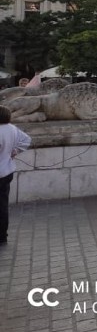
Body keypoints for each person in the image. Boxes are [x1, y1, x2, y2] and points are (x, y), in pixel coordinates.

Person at [0, 105, 31, 246]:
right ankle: (2, 236)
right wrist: (16, 150)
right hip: (7, 171)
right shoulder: (12, 128)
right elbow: (27, 139)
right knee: (3, 205)